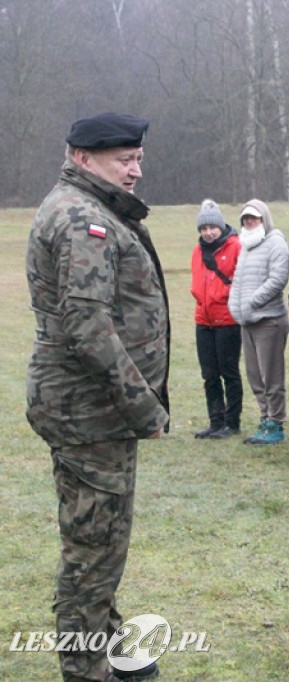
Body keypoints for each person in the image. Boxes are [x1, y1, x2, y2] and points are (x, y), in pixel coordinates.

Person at [26, 112, 168, 682]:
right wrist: (143, 405)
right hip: (89, 409)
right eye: (122, 160)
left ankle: (107, 643)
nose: (135, 171)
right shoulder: (83, 217)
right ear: (82, 157)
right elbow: (87, 326)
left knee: (96, 536)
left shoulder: (88, 205)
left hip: (86, 407)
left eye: (137, 159)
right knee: (94, 548)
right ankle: (86, 669)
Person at [228, 199, 289, 445]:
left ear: (264, 218)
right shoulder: (246, 245)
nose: (250, 221)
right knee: (255, 376)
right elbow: (238, 280)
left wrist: (253, 301)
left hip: (269, 320)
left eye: (254, 217)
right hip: (248, 322)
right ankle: (265, 418)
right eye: (246, 218)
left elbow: (277, 278)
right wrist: (236, 307)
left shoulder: (275, 241)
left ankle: (276, 422)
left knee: (271, 376)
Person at [190, 199, 242, 439]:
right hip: (204, 319)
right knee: (209, 374)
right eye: (204, 228)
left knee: (229, 372)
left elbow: (239, 281)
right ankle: (215, 420)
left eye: (212, 228)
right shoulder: (197, 251)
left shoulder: (235, 247)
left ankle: (232, 423)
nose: (208, 233)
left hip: (227, 320)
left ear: (221, 226)